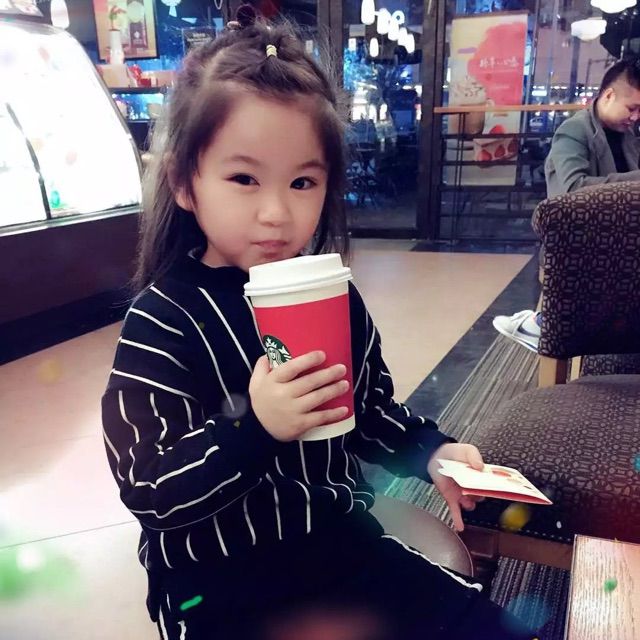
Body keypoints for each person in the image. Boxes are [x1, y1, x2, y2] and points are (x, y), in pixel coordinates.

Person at [101, 8, 536, 639]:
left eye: (302, 181)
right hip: (218, 583)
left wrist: (433, 454)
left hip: (342, 547)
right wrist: (255, 427)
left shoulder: (333, 297)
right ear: (185, 183)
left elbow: (370, 411)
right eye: (244, 178)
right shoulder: (162, 322)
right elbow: (151, 490)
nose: (276, 212)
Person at [494, 56, 640, 351]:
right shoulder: (574, 131)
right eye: (632, 108)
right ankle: (541, 324)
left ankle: (541, 323)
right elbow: (573, 190)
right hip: (584, 242)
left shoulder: (627, 136)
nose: (636, 116)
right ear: (609, 95)